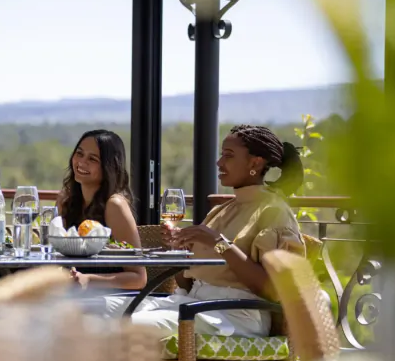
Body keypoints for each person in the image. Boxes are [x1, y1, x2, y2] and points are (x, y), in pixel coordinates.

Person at [107, 125, 307, 338]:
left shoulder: (273, 213)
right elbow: (186, 281)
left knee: (121, 327)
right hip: (193, 303)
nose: (219, 162)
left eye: (228, 156)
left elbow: (274, 290)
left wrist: (218, 243)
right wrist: (181, 251)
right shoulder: (223, 210)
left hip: (235, 316)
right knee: (95, 308)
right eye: (221, 155)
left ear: (255, 163)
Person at [57, 129, 146, 290]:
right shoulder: (66, 200)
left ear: (109, 167)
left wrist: (89, 279)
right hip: (70, 292)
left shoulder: (114, 206)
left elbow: (139, 278)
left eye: (92, 159)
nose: (82, 162)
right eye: (79, 153)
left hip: (111, 296)